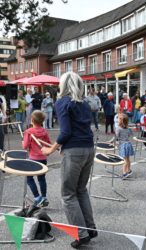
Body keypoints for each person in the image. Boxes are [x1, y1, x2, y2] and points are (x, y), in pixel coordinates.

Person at [41, 72, 97, 249]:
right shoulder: (84, 103)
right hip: (89, 148)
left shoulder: (62, 102)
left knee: (68, 194)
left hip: (74, 151)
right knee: (80, 190)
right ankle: (90, 228)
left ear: (64, 85)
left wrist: (51, 149)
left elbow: (65, 132)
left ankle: (81, 234)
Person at [22, 110, 51, 207]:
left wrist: (23, 142)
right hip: (43, 158)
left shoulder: (28, 132)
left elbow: (25, 146)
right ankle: (44, 197)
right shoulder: (44, 131)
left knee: (29, 178)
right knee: (41, 178)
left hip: (33, 158)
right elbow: (49, 144)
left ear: (32, 120)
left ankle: (37, 197)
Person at [116, 113, 134, 179]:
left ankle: (124, 173)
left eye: (118, 118)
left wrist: (112, 142)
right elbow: (130, 134)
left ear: (121, 120)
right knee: (128, 159)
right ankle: (128, 170)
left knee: (125, 160)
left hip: (123, 145)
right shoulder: (128, 128)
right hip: (128, 144)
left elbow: (116, 137)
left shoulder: (118, 128)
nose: (117, 119)